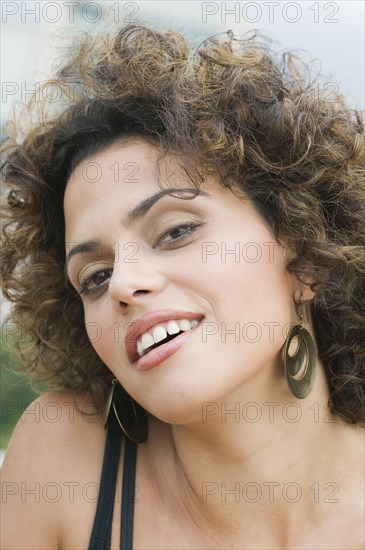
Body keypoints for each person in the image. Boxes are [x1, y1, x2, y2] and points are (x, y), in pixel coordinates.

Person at [1, 24, 364, 550]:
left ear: (307, 253)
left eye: (176, 231)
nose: (124, 283)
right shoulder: (63, 462)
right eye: (95, 277)